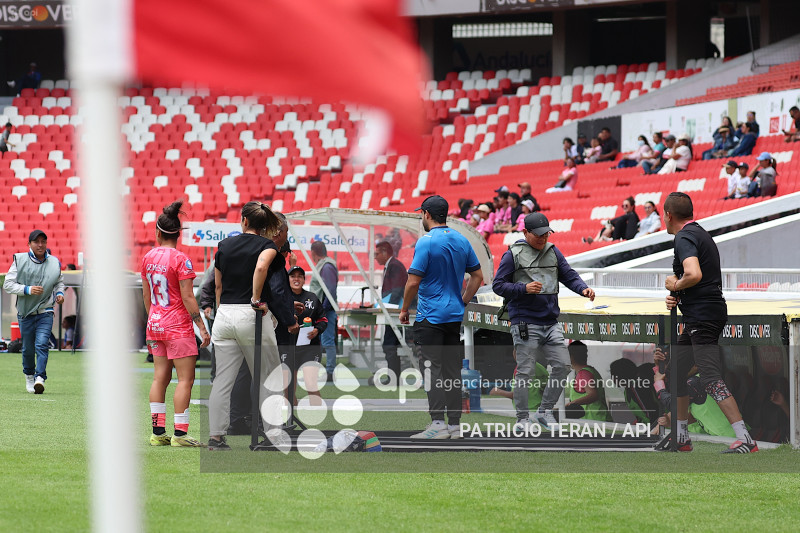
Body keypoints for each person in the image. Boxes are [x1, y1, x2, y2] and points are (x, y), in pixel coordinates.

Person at [663, 192, 757, 453]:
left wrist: (676, 284)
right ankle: (681, 437)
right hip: (701, 313)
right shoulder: (699, 233)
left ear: (668, 215)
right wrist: (678, 296)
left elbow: (694, 273)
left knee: (711, 377)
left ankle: (745, 439)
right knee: (676, 372)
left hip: (703, 316)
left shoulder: (684, 237)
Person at [492, 212, 595, 430]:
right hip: (524, 322)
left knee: (563, 366)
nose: (543, 238)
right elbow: (498, 285)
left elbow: (569, 275)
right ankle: (522, 419)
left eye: (546, 234)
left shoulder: (553, 251)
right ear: (525, 232)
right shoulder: (512, 255)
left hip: (550, 321)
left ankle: (544, 411)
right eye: (538, 235)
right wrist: (523, 288)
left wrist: (582, 289)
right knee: (526, 371)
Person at [400, 195, 483, 439]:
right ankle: (455, 425)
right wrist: (463, 301)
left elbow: (413, 281)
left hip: (430, 317)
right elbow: (477, 277)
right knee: (452, 372)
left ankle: (437, 423)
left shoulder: (426, 242)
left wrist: (404, 309)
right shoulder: (462, 239)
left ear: (426, 214)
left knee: (431, 370)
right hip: (453, 316)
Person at [207, 201, 285, 451]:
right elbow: (261, 267)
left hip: (225, 314)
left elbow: (217, 286)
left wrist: (221, 311)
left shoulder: (223, 245)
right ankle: (273, 435)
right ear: (264, 226)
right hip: (250, 313)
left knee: (222, 380)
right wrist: (255, 298)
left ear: (244, 221)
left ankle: (216, 437)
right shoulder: (267, 245)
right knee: (269, 377)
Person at [141, 201, 210, 447]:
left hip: (155, 323)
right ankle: (180, 435)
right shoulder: (182, 260)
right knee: (185, 380)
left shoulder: (147, 258)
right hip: (178, 326)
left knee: (160, 377)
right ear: (178, 234)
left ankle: (158, 433)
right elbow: (188, 297)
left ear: (158, 232)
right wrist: (201, 326)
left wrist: (153, 321)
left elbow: (147, 297)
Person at [4, 229, 65, 394]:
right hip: (25, 313)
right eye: (36, 242)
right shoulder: (20, 260)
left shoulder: (54, 262)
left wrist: (60, 294)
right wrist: (27, 289)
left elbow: (59, 281)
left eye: (43, 242)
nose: (40, 245)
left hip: (46, 310)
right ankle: (29, 376)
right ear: (29, 244)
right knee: (28, 348)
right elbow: (7, 284)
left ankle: (40, 378)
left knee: (42, 344)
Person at [285, 266, 327, 406]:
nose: (296, 279)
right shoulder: (282, 299)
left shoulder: (312, 298)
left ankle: (319, 417)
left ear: (304, 280)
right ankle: (292, 421)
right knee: (288, 389)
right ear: (287, 279)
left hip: (310, 347)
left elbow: (323, 319)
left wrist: (317, 330)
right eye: (292, 276)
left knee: (310, 384)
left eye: (299, 276)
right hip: (288, 347)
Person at [375, 239, 408, 381]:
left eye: (376, 254)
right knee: (389, 343)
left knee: (389, 343)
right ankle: (393, 376)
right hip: (395, 311)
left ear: (384, 252)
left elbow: (397, 290)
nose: (375, 257)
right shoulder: (392, 266)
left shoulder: (395, 266)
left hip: (396, 312)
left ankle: (393, 377)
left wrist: (389, 308)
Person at [309, 240, 339, 382]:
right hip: (323, 309)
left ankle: (330, 372)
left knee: (327, 341)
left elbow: (330, 289)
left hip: (326, 310)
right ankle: (323, 369)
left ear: (313, 253)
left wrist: (323, 308)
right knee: (322, 340)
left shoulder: (326, 266)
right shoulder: (326, 265)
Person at [564, 341, 611, 421]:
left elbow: (593, 395)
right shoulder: (590, 371)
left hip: (594, 422)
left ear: (570, 357)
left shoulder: (584, 374)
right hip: (597, 420)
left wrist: (573, 404)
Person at [609, 357, 658, 424]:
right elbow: (642, 414)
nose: (612, 379)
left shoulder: (637, 388)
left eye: (613, 375)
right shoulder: (628, 389)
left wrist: (653, 431)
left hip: (659, 427)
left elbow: (651, 413)